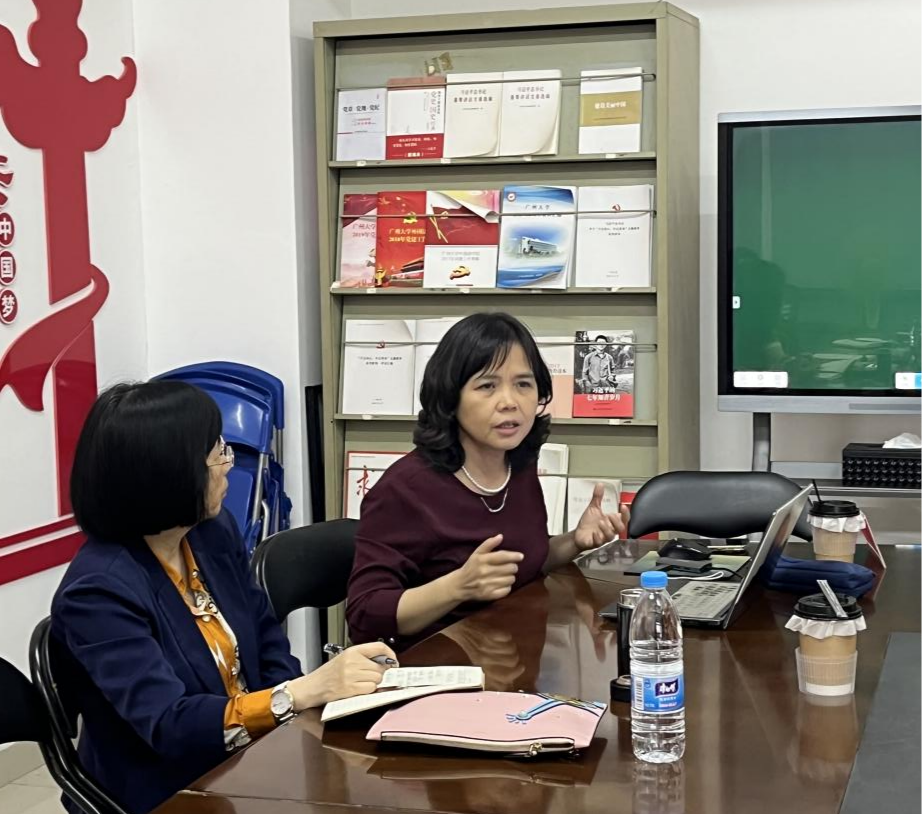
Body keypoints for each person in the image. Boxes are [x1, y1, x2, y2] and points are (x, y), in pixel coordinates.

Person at [51, 381, 395, 813]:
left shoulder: (209, 533)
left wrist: (292, 717)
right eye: (217, 454)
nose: (228, 465)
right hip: (171, 788)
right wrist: (297, 695)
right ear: (168, 474)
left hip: (252, 757)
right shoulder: (97, 592)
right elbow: (169, 724)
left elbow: (265, 638)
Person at [346, 312, 629, 649]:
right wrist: (458, 586)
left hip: (511, 656)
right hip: (432, 667)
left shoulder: (518, 464)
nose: (509, 402)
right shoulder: (404, 489)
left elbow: (518, 565)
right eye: (487, 386)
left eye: (523, 384)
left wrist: (575, 542)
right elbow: (365, 615)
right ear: (451, 398)